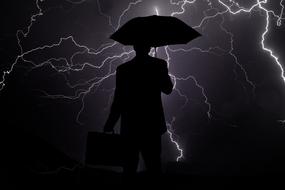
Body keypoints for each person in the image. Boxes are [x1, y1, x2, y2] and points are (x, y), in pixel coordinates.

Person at [103, 44, 173, 177]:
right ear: (149, 47)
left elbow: (119, 100)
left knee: (129, 168)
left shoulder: (123, 69)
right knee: (154, 168)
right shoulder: (159, 65)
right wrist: (163, 73)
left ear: (134, 47)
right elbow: (168, 89)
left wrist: (110, 123)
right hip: (152, 125)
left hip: (130, 126)